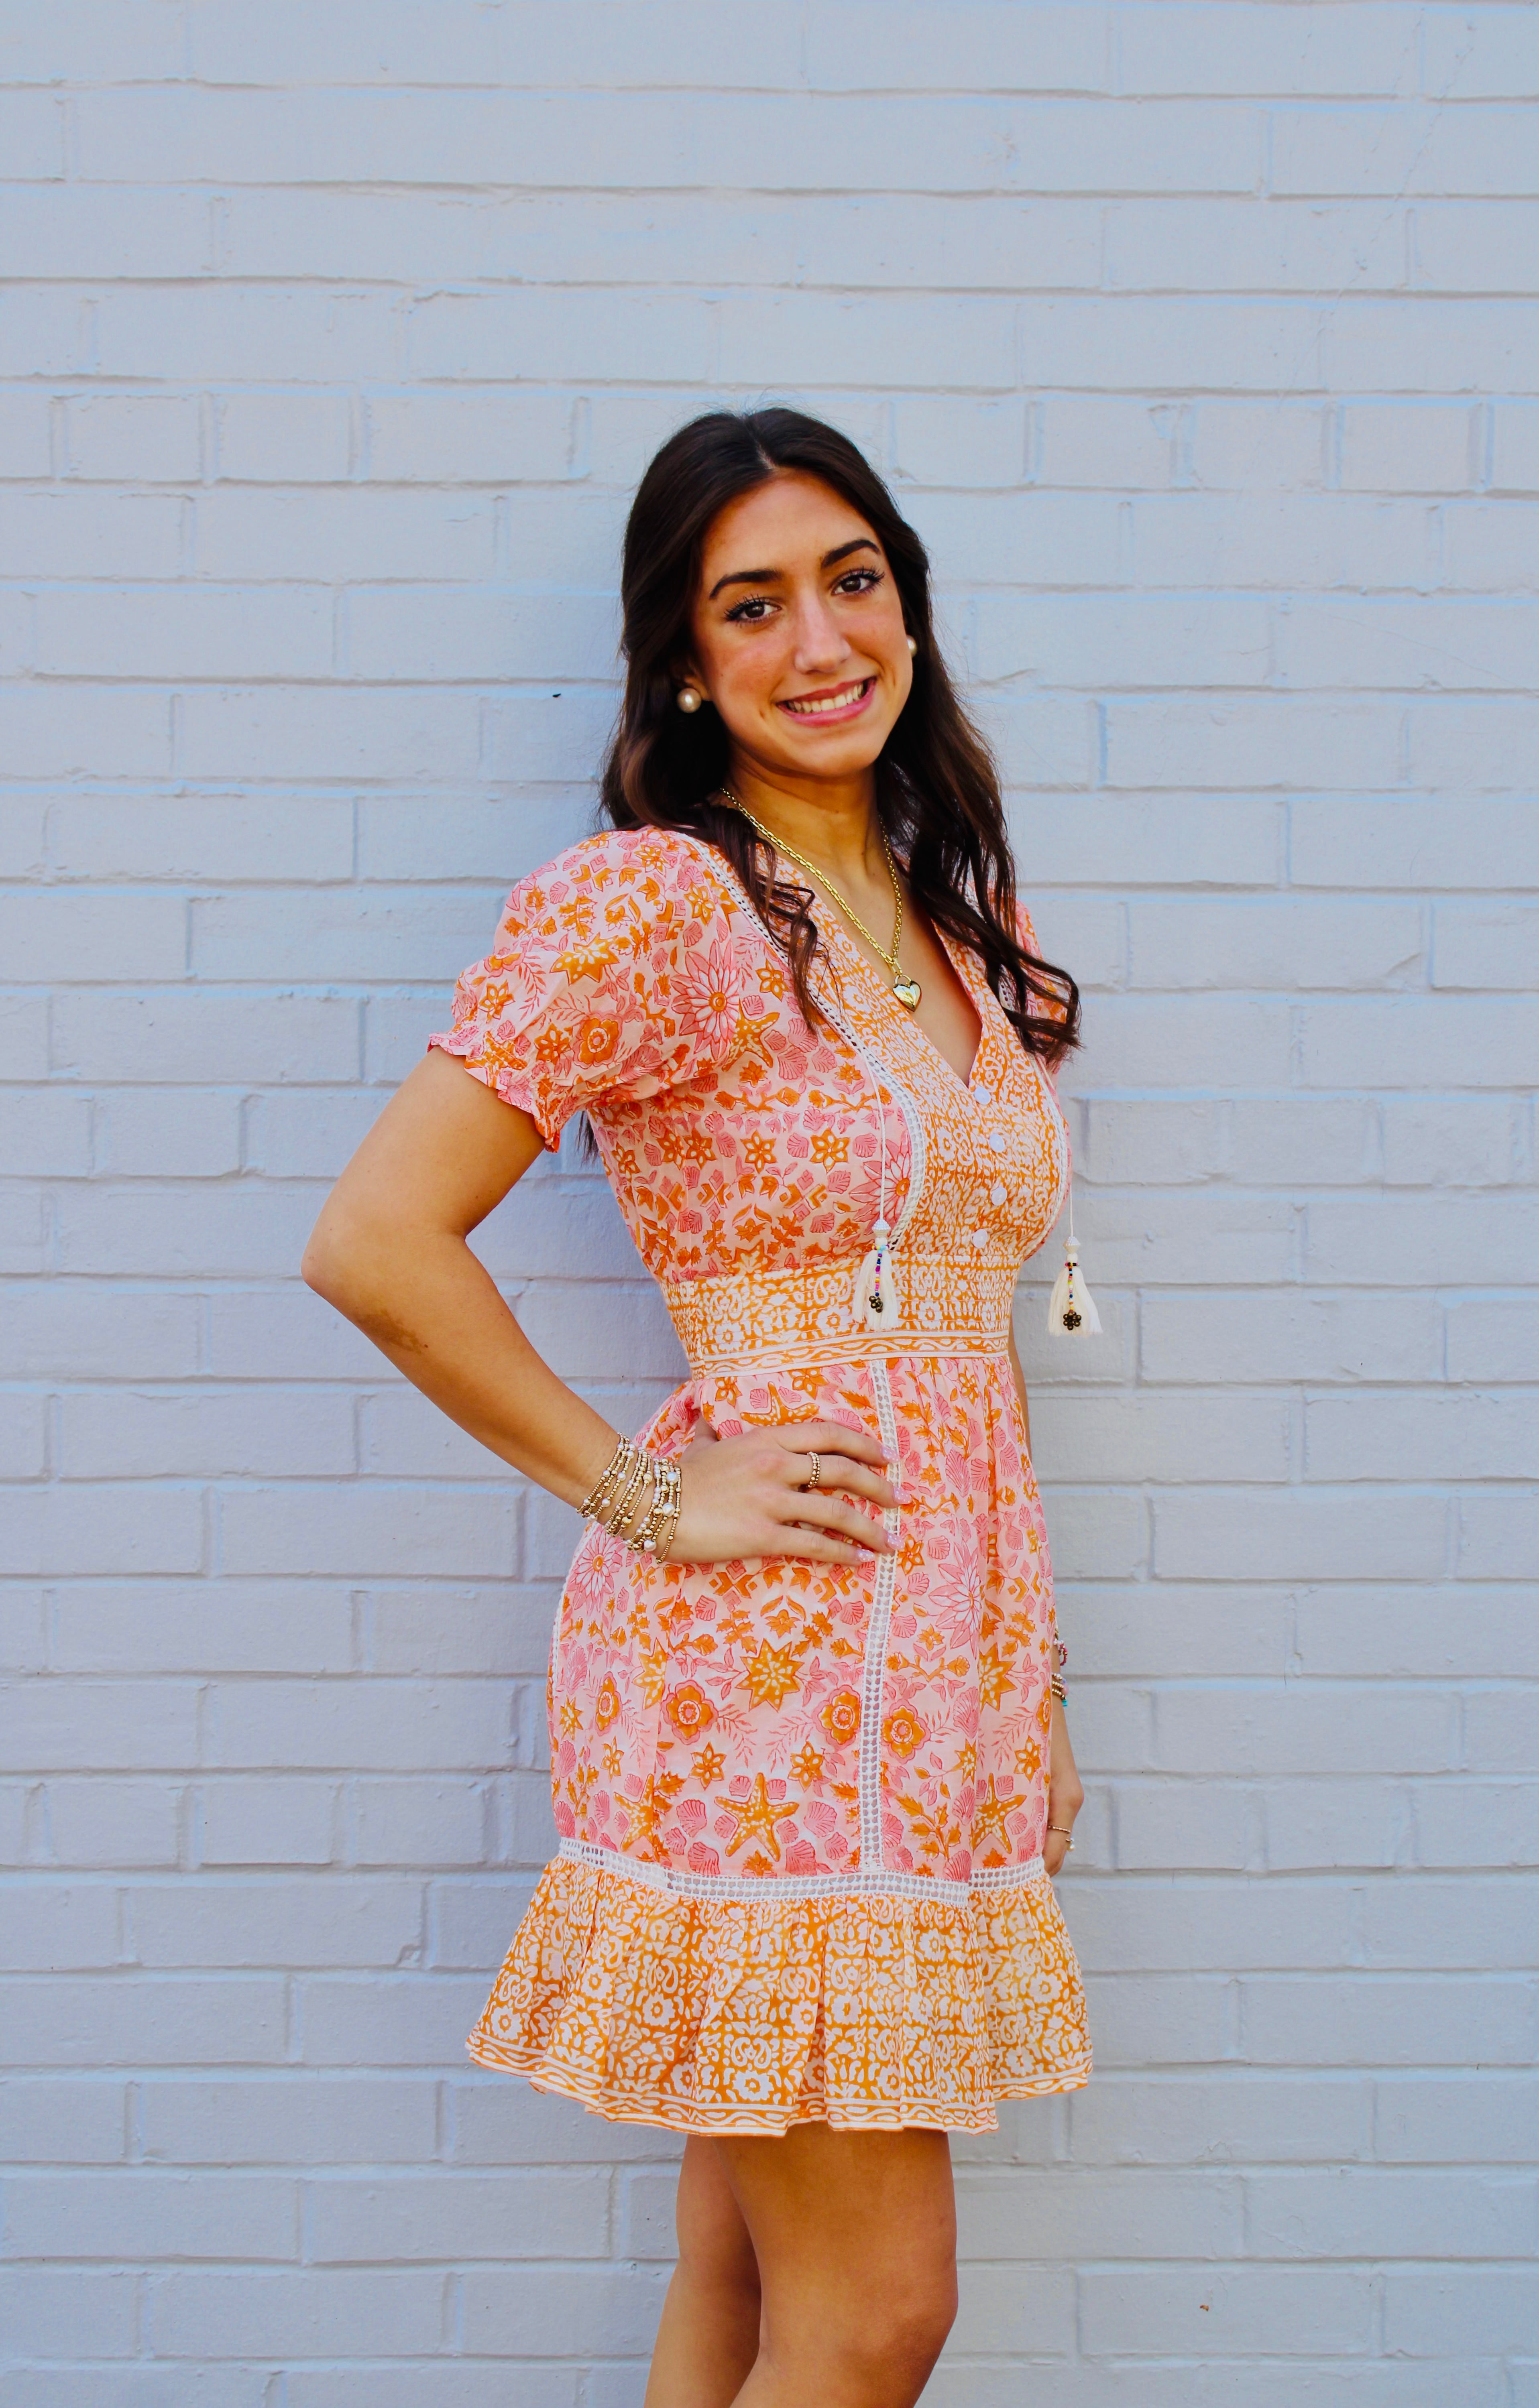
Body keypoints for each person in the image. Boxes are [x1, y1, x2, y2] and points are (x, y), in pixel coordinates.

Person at [303, 407, 1092, 2408]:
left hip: (940, 1673)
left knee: (745, 2282)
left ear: (907, 604)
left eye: (854, 582)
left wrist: (1035, 1684)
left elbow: (968, 1355)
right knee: (877, 2315)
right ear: (682, 653)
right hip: (767, 1682)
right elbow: (381, 1240)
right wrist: (649, 1499)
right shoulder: (655, 905)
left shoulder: (940, 926)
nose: (820, 640)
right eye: (754, 604)